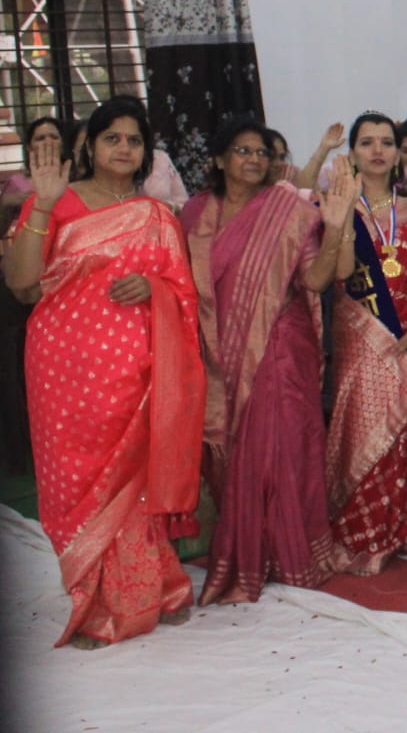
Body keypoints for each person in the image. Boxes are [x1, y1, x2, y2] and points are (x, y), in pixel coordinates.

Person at [3, 96, 205, 646]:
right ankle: (95, 602)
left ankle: (155, 587)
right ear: (89, 146)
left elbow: (183, 295)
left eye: (133, 140)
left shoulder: (156, 216)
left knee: (135, 480)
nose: (123, 148)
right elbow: (20, 283)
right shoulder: (55, 201)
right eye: (111, 137)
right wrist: (42, 208)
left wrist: (153, 286)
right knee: (76, 481)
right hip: (62, 369)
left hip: (137, 373)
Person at [181, 117, 355, 604]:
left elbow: (316, 280)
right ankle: (246, 548)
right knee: (233, 452)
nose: (255, 159)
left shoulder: (288, 209)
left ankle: (288, 553)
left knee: (282, 447)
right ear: (219, 159)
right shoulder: (194, 213)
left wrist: (335, 226)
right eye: (243, 150)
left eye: (262, 152)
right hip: (215, 354)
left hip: (279, 347)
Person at [324, 114, 407, 574]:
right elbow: (339, 272)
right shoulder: (339, 205)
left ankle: (406, 525)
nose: (377, 151)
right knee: (365, 425)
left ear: (398, 153)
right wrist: (343, 217)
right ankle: (365, 529)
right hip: (361, 332)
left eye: (386, 142)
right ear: (352, 152)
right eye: (367, 142)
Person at [1, 117, 66, 230]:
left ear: (63, 143)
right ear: (29, 147)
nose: (48, 142)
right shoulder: (17, 183)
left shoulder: (75, 177)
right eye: (40, 138)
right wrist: (5, 203)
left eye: (54, 137)